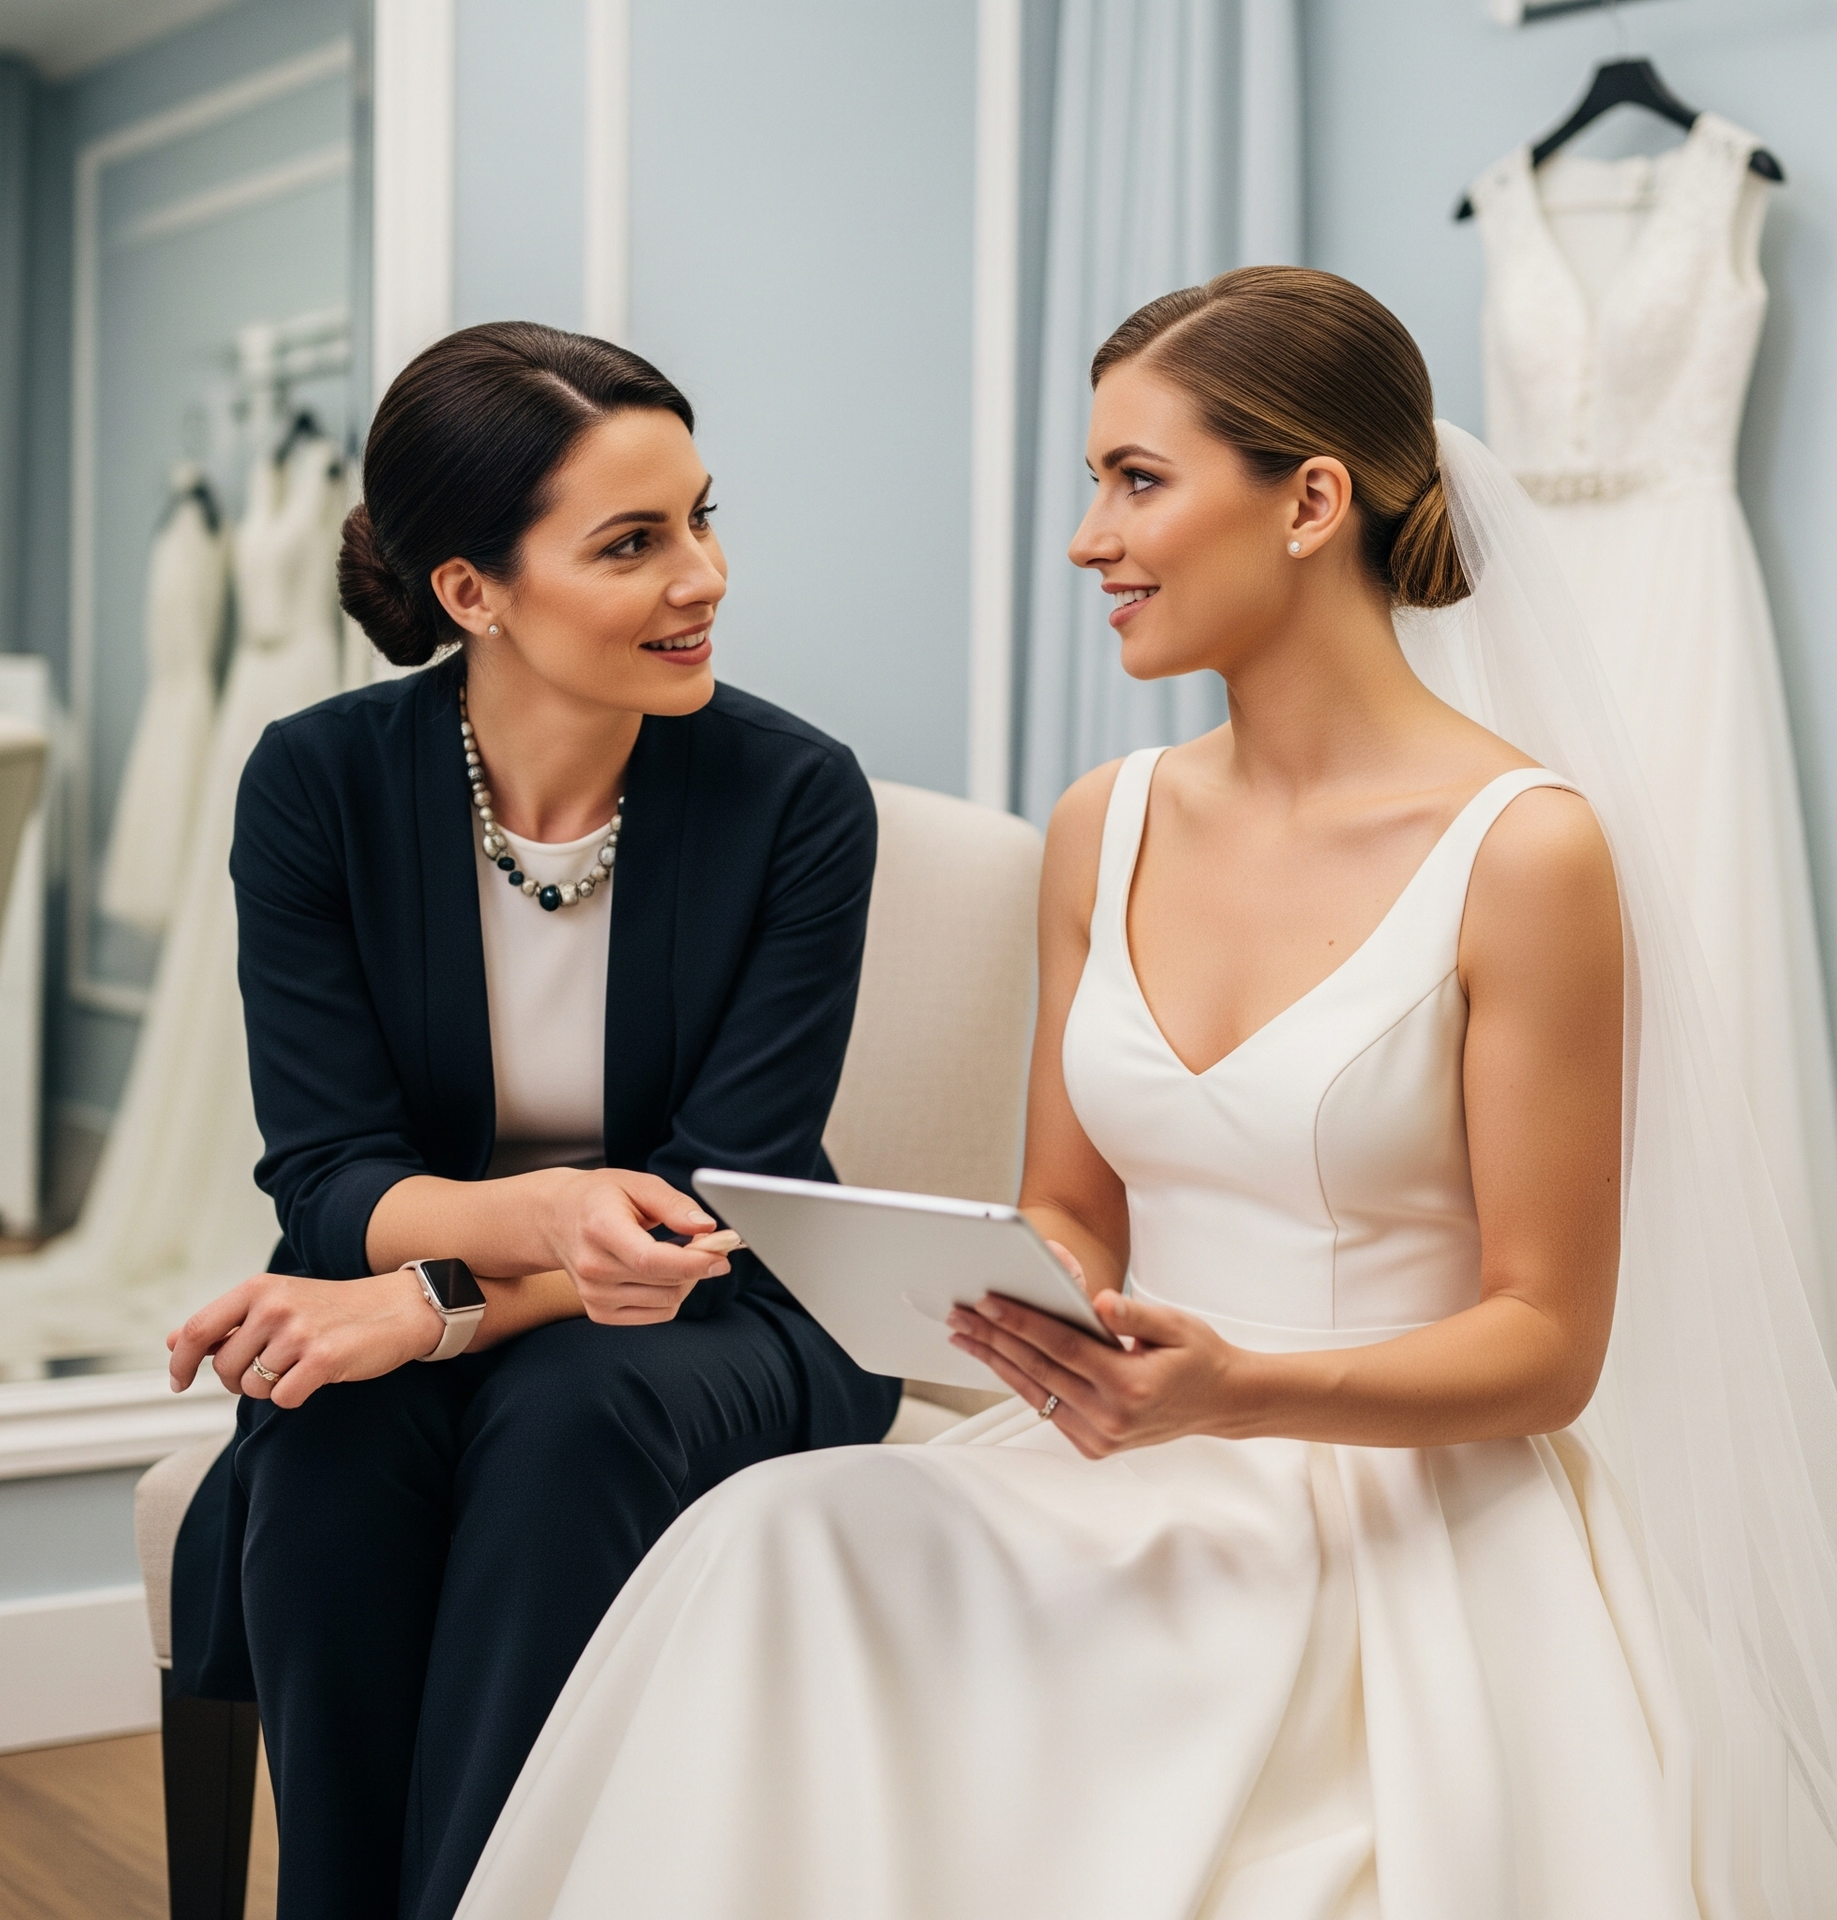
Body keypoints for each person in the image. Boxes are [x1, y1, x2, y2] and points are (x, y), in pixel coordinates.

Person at [456, 272, 1837, 1920]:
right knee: (776, 1543)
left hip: (1399, 1516)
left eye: (1137, 480)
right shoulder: (1103, 822)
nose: (1087, 541)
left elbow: (1548, 1345)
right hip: (1125, 1459)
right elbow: (1073, 1214)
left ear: (1312, 500)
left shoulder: (1526, 853)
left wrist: (1239, 1386)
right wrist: (957, 1285)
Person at [162, 323, 900, 1920]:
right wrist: (509, 1242)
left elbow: (722, 1194)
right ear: (469, 592)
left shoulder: (796, 797)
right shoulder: (315, 788)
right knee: (324, 1435)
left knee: (573, 1411)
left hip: (734, 1308)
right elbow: (328, 1173)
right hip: (469, 1288)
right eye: (632, 542)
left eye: (704, 517)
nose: (700, 577)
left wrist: (428, 1310)